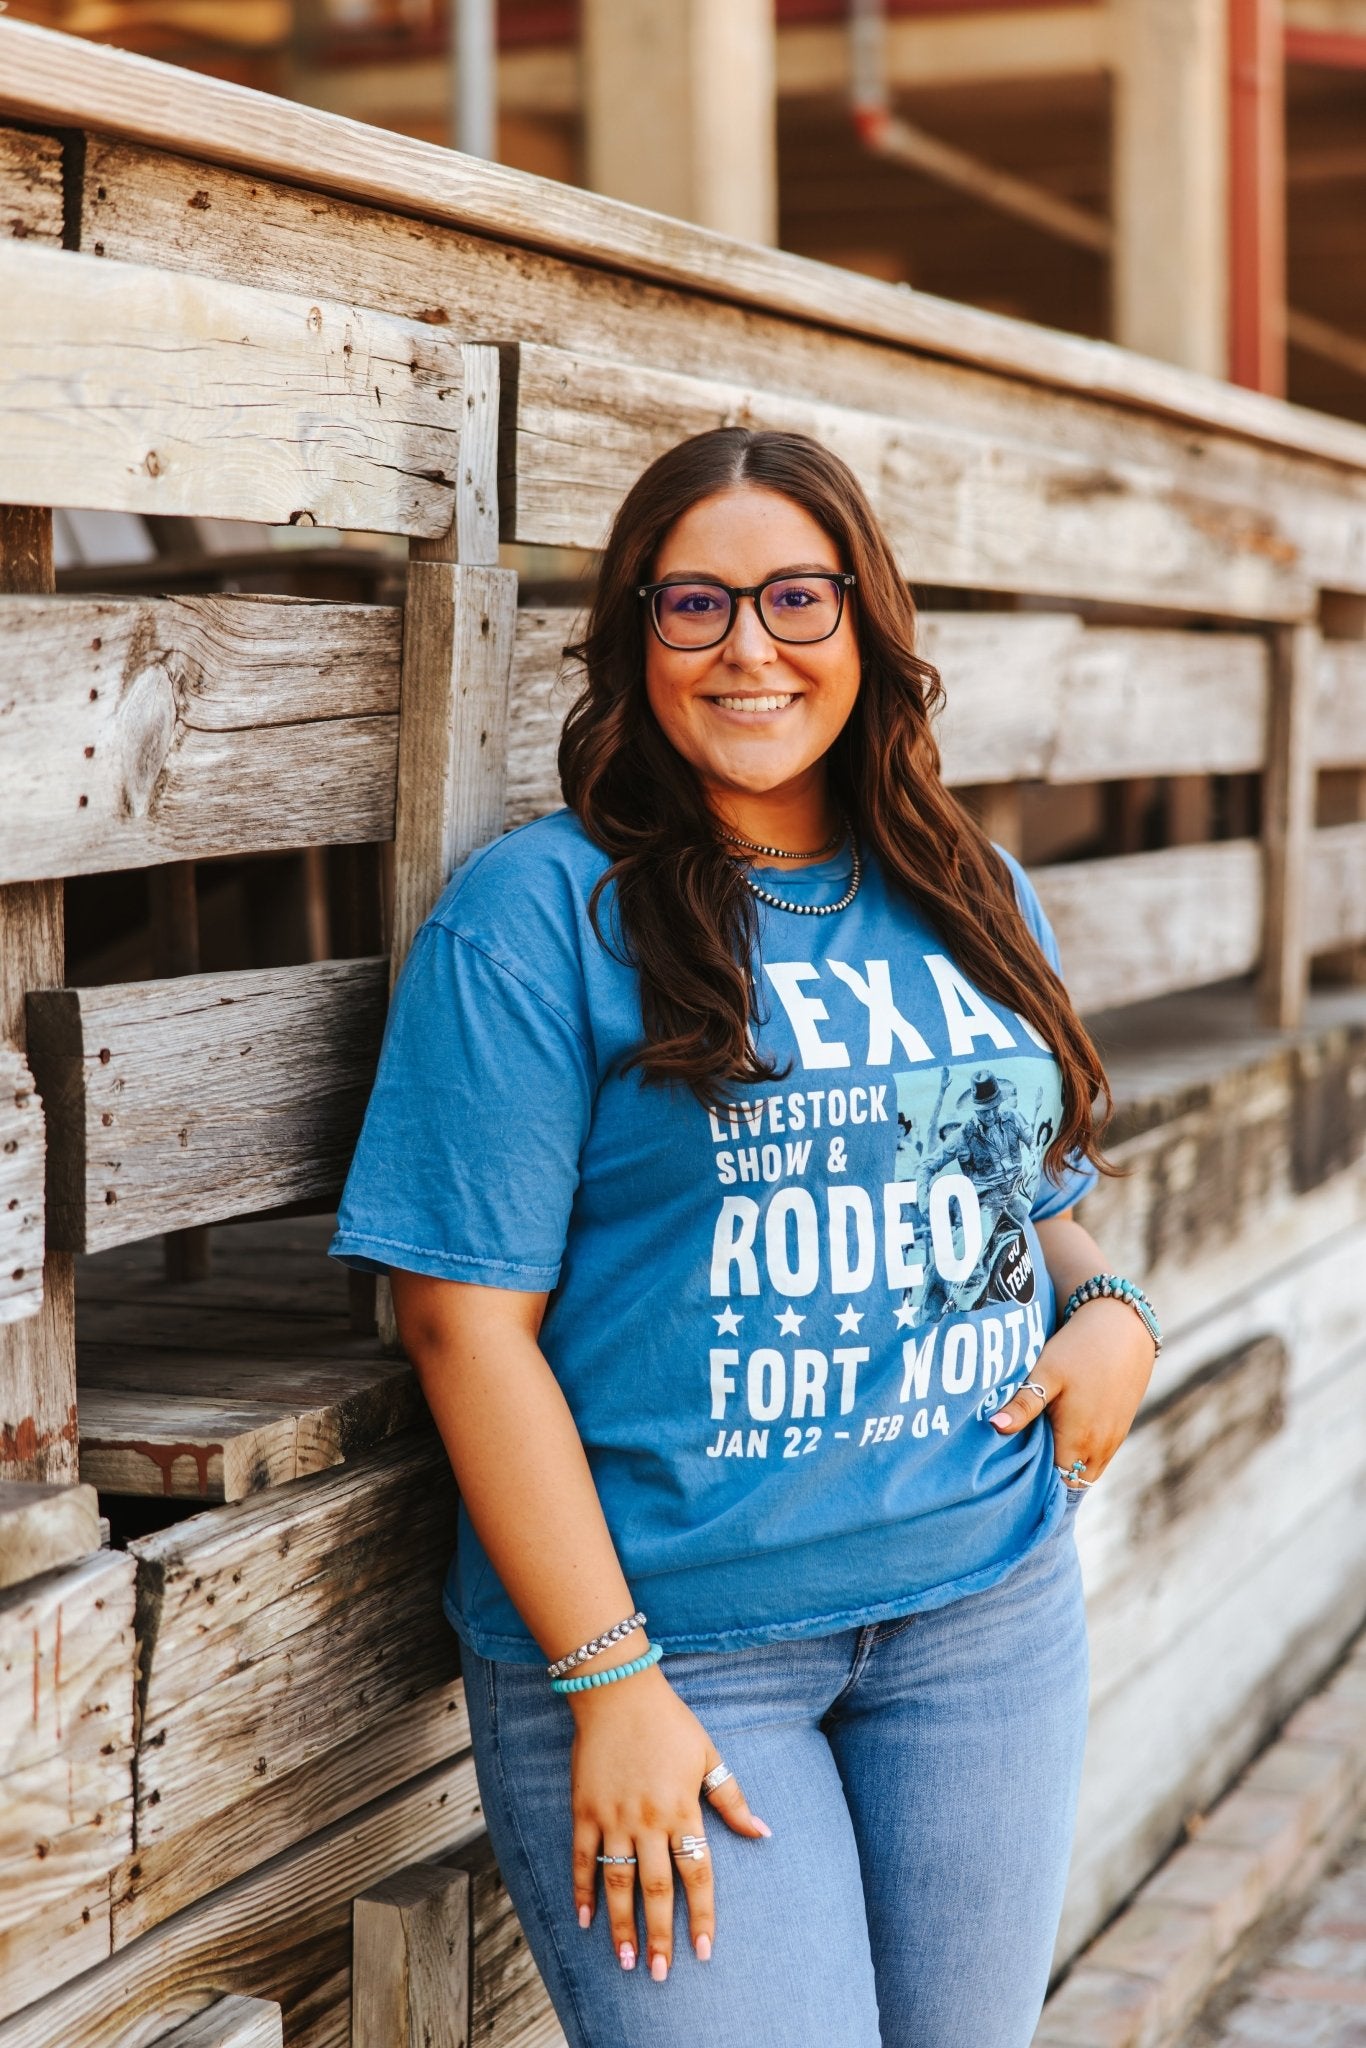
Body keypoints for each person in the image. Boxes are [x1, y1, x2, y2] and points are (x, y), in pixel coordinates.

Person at [330, 427, 1160, 2048]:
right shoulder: (538, 914)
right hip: (679, 1650)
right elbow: (461, 1327)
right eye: (691, 606)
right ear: (634, 640)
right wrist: (608, 1679)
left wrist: (1116, 1306)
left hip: (981, 1612)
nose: (748, 647)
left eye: (795, 596)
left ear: (866, 624)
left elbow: (1033, 1200)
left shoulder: (967, 887)